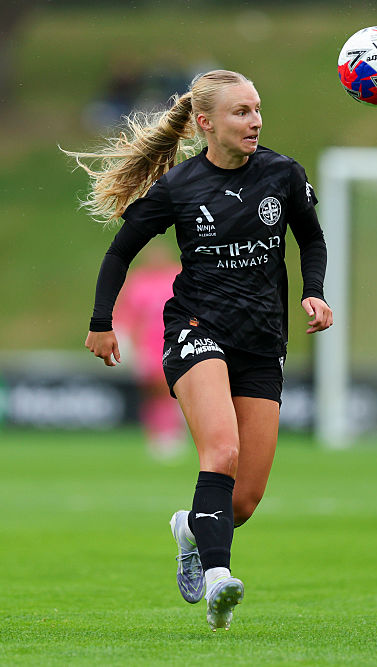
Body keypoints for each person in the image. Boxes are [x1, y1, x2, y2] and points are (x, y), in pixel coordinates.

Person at [65, 69, 332, 631]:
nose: (255, 120)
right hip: (196, 328)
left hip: (262, 341)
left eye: (257, 109)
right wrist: (101, 321)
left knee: (243, 502)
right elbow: (120, 251)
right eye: (241, 112)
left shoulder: (283, 175)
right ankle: (217, 580)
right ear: (206, 123)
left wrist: (313, 292)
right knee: (222, 455)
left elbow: (310, 235)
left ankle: (190, 526)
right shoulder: (179, 186)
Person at [112, 241, 186, 460]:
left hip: (174, 342)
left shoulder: (177, 276)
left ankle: (172, 432)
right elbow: (127, 314)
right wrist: (124, 340)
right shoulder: (138, 281)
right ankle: (156, 432)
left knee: (168, 388)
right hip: (146, 346)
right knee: (151, 391)